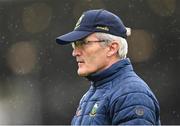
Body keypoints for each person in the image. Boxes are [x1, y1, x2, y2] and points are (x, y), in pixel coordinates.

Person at [56, 9, 160, 125]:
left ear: (112, 48)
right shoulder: (92, 94)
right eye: (75, 45)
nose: (75, 53)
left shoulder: (132, 94)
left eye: (83, 43)